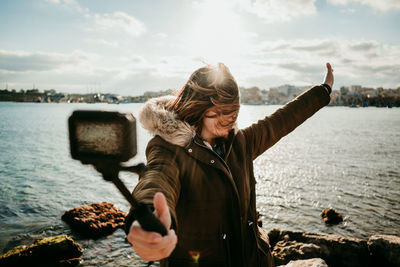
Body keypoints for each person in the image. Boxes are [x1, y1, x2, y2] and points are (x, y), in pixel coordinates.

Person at [125, 62, 334, 267]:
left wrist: (323, 91)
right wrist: (148, 218)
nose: (227, 121)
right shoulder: (168, 148)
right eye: (218, 114)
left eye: (232, 113)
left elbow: (283, 119)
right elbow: (156, 179)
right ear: (197, 109)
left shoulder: (240, 142)